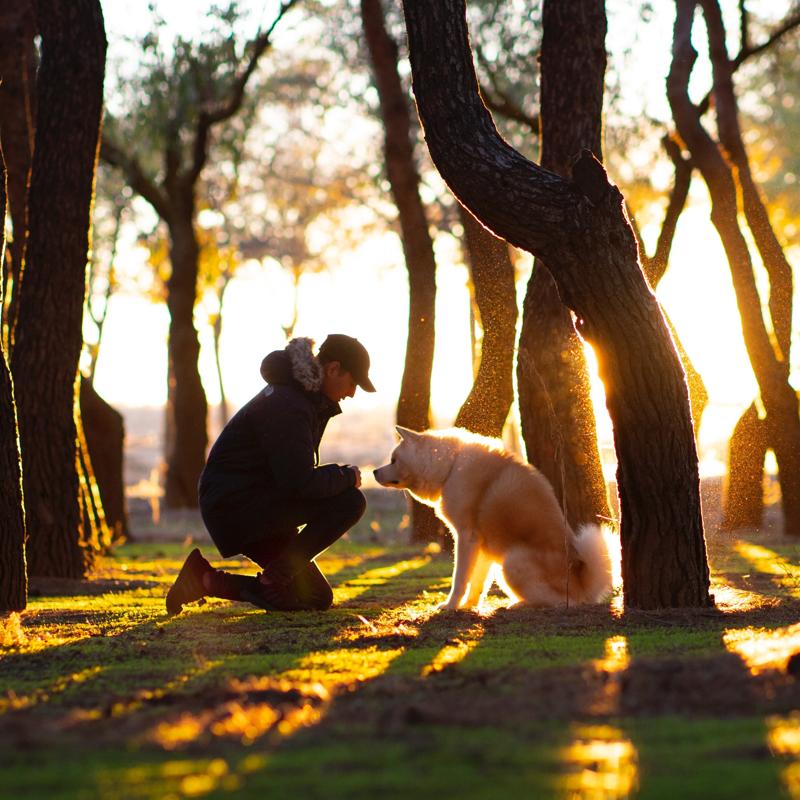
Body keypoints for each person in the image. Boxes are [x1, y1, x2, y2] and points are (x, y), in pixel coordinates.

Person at [165, 334, 374, 615]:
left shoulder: (302, 399)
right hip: (237, 507)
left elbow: (292, 476)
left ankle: (204, 579)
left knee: (315, 597)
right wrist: (346, 476)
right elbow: (298, 482)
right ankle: (273, 580)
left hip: (252, 503)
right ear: (334, 369)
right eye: (353, 383)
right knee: (350, 501)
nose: (351, 393)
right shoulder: (289, 404)